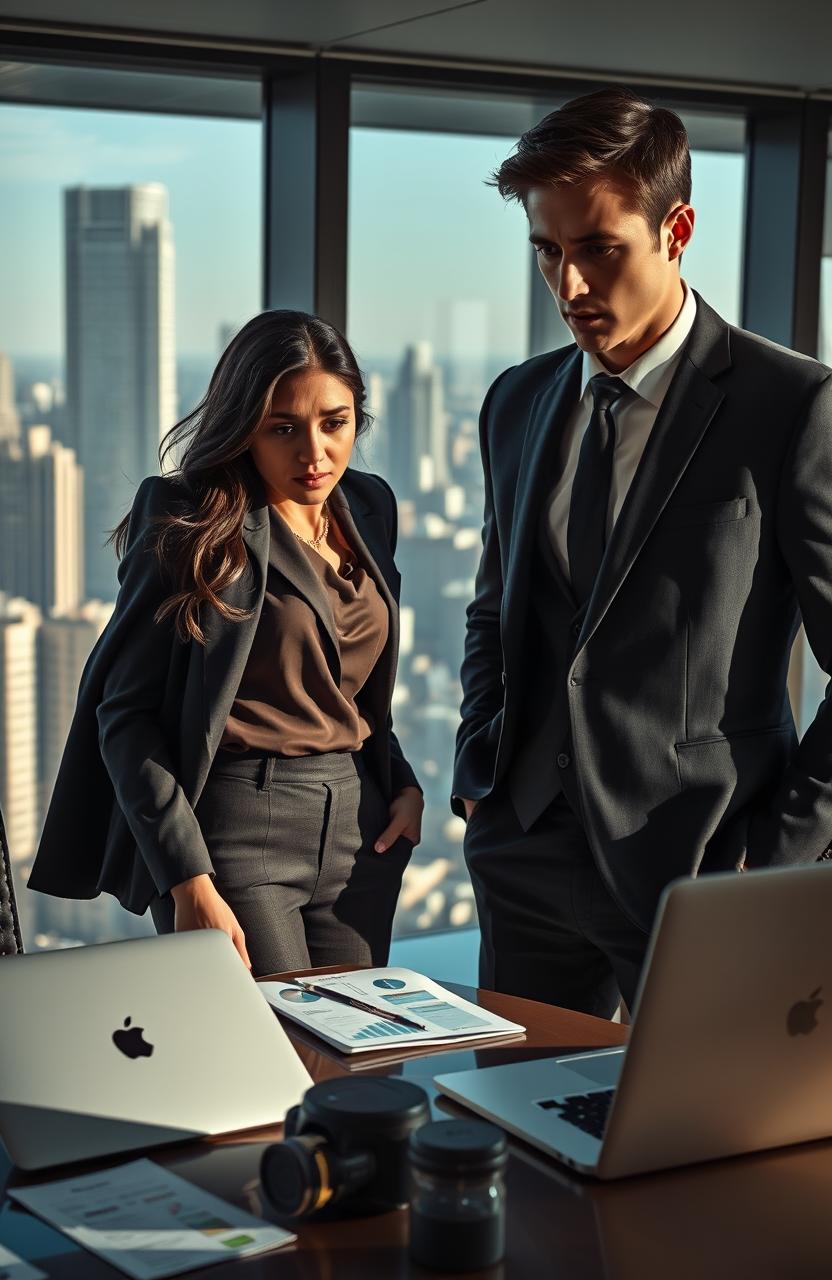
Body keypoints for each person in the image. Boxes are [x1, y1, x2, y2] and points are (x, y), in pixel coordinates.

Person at [453, 87, 832, 1018]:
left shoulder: (790, 406)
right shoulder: (518, 401)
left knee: (700, 1144)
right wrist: (481, 771)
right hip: (524, 853)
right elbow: (495, 607)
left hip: (699, 862)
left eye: (597, 248)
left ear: (678, 229)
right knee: (520, 1131)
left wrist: (773, 861)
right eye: (547, 251)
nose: (569, 286)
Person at [29, 311, 423, 975]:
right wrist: (186, 879)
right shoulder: (192, 519)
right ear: (244, 426)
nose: (315, 453)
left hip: (360, 830)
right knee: (276, 1063)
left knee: (358, 1063)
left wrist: (402, 786)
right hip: (239, 832)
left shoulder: (370, 507)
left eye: (335, 421)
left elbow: (345, 688)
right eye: (283, 427)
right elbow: (125, 716)